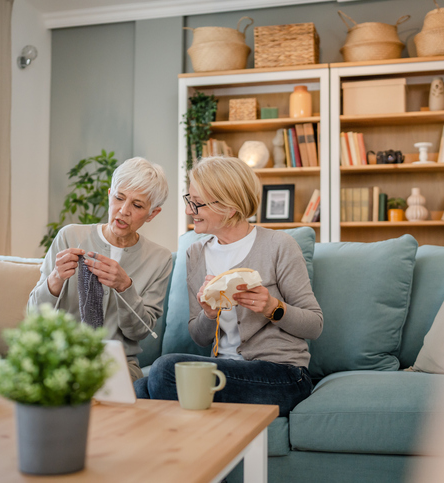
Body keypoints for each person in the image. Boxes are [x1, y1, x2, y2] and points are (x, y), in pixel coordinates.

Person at [134, 156, 323, 416]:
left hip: (283, 376)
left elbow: (314, 325)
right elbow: (199, 337)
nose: (189, 211)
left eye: (196, 203)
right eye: (189, 200)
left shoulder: (279, 245)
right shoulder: (196, 254)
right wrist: (209, 314)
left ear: (229, 207)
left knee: (165, 371)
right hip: (225, 371)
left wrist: (272, 307)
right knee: (139, 389)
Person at [29, 157, 172, 382]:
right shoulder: (70, 236)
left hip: (119, 366)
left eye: (137, 205)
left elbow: (140, 332)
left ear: (152, 214)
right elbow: (33, 315)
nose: (123, 211)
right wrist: (55, 279)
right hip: (62, 358)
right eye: (119, 198)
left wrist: (126, 287)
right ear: (109, 195)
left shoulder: (159, 259)